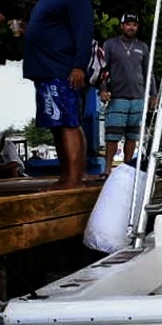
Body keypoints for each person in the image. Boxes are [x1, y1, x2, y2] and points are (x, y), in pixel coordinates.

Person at [22, 0, 93, 191]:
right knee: (57, 125)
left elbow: (84, 30)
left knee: (67, 123)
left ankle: (74, 179)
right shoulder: (43, 2)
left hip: (60, 69)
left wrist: (79, 66)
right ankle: (67, 175)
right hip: (45, 70)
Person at [100, 13, 157, 175]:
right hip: (117, 97)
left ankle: (127, 169)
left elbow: (148, 72)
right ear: (121, 25)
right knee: (112, 137)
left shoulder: (143, 47)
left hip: (138, 97)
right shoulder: (110, 44)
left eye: (134, 24)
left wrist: (154, 94)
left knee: (132, 136)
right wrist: (103, 90)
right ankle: (107, 169)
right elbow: (103, 70)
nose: (131, 27)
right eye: (128, 24)